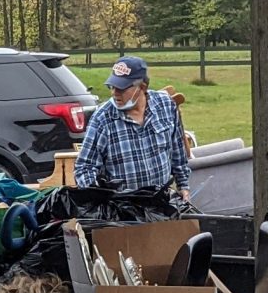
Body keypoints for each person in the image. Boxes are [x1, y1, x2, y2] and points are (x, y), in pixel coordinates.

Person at [72, 55, 190, 207]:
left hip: (161, 202)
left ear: (142, 87)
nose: (114, 93)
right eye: (112, 86)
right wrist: (99, 199)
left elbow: (178, 152)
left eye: (121, 88)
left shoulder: (166, 105)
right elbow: (84, 168)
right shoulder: (103, 119)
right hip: (123, 209)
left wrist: (183, 185)